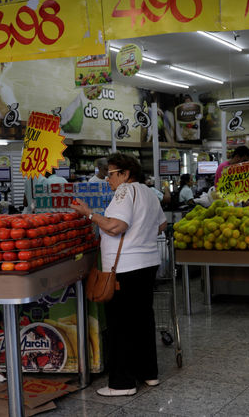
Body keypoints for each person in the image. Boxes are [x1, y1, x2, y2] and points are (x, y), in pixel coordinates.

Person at [69, 153, 167, 397]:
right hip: (147, 264)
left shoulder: (124, 191)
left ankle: (122, 383)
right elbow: (161, 225)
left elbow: (116, 226)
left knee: (121, 325)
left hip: (125, 268)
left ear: (125, 174)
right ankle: (149, 373)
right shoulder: (148, 192)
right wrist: (141, 236)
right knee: (143, 320)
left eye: (111, 174)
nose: (108, 179)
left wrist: (88, 213)